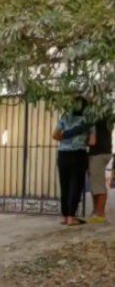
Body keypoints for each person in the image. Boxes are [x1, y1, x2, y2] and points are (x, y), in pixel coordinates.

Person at [52, 97, 90, 226]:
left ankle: (65, 216)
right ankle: (71, 217)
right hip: (79, 154)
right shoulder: (87, 121)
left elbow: (55, 135)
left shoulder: (64, 118)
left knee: (65, 185)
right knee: (76, 185)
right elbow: (92, 141)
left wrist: (65, 139)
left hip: (63, 154)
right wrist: (82, 141)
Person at [86, 116, 113, 223]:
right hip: (104, 152)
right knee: (95, 184)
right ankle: (96, 211)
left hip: (98, 154)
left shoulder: (94, 120)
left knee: (98, 185)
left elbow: (92, 141)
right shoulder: (106, 119)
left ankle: (100, 214)